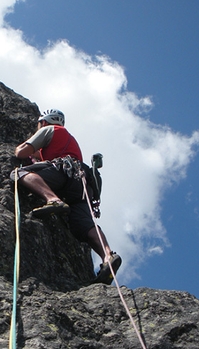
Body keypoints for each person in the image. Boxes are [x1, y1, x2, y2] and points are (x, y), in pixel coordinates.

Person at [12, 108, 121, 285]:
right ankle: (108, 256)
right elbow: (43, 156)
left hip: (63, 172)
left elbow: (21, 153)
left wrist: (22, 148)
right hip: (82, 185)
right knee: (85, 226)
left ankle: (53, 200)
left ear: (44, 122)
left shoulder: (49, 130)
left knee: (20, 173)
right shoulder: (69, 140)